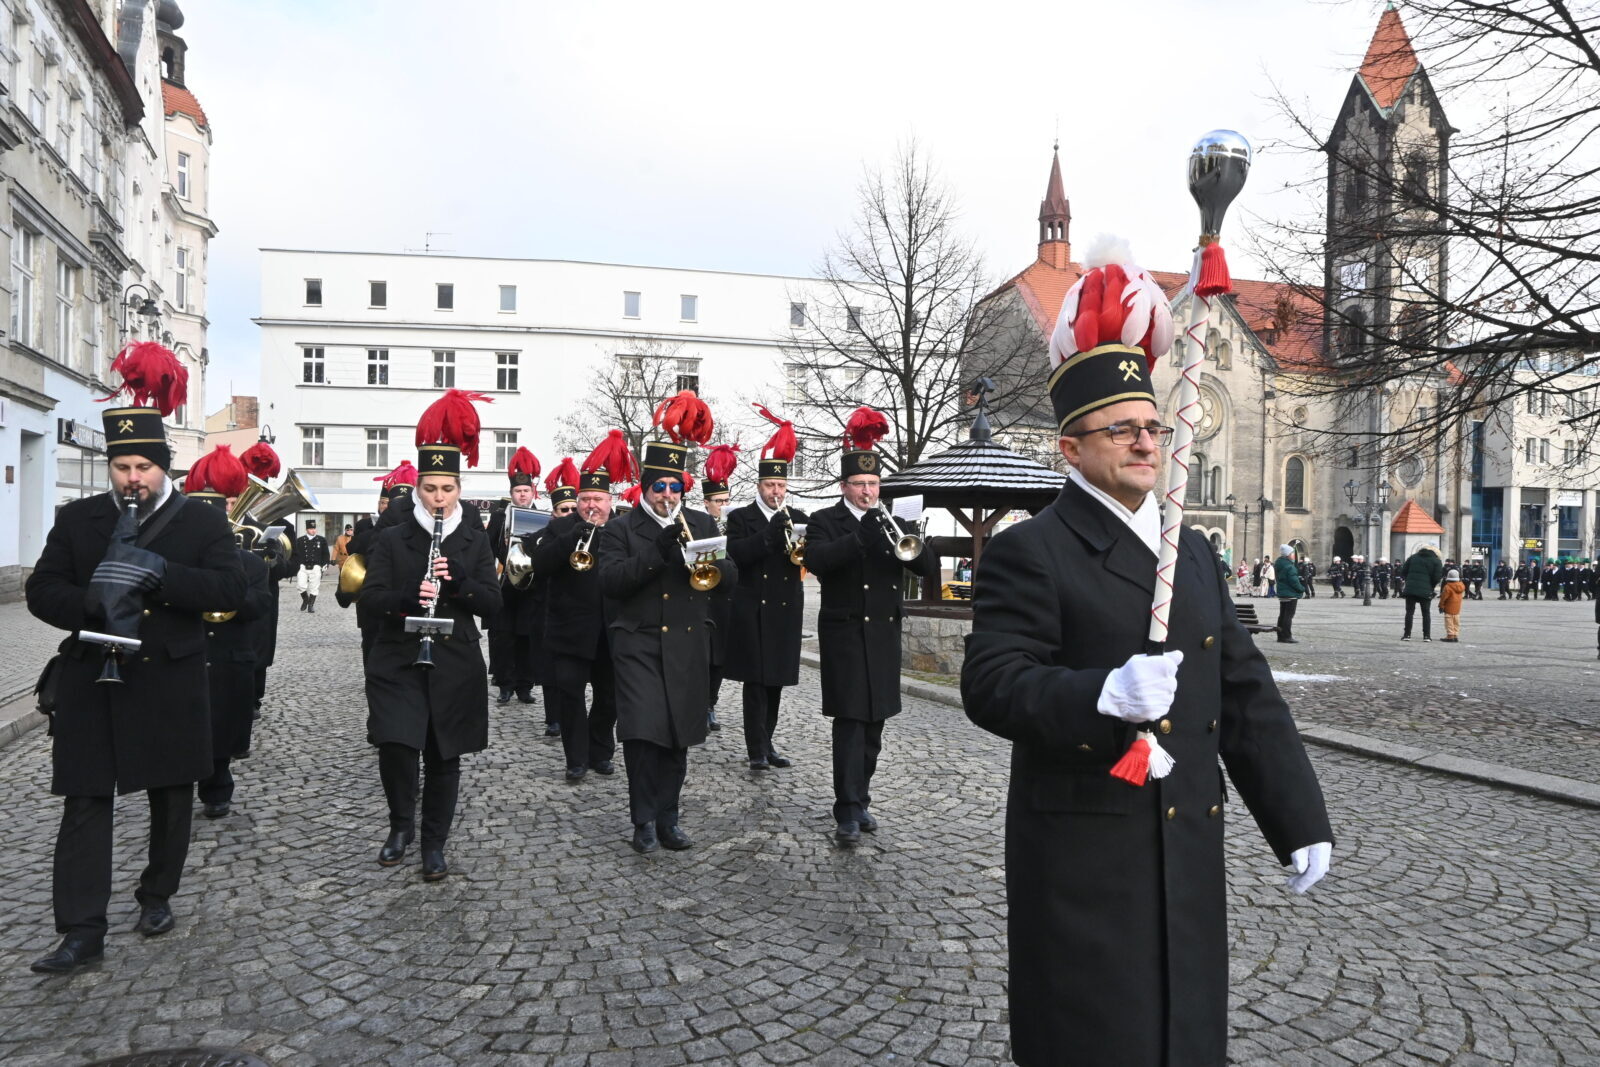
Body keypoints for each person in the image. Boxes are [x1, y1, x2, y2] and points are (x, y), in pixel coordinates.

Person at [960, 243, 1331, 1066]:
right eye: (1121, 428)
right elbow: (990, 683)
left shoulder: (1188, 552)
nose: (1144, 440)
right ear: (1070, 446)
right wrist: (1101, 694)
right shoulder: (1035, 550)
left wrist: (1297, 816)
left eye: (1152, 425)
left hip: (1187, 853)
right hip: (1086, 864)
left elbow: (1243, 691)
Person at [25, 344, 246, 974]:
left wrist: (159, 573)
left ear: (161, 467)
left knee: (172, 796)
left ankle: (157, 894)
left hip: (168, 677)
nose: (131, 478)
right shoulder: (80, 518)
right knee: (85, 800)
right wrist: (92, 602)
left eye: (143, 466)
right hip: (92, 677)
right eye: (122, 465)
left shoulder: (201, 523)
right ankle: (80, 931)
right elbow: (42, 591)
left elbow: (229, 591)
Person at [360, 390, 501, 881]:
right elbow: (370, 598)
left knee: (444, 754)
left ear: (459, 488)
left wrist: (458, 581)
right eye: (430, 489)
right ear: (416, 488)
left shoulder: (474, 538)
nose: (439, 498)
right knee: (398, 745)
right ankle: (401, 824)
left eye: (447, 488)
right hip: (399, 655)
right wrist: (408, 593)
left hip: (454, 660)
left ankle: (433, 843)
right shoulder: (394, 536)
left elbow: (493, 602)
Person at [597, 406, 735, 854]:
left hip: (687, 643)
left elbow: (729, 577)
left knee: (678, 735)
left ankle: (669, 818)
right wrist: (658, 551)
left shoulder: (701, 522)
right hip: (637, 642)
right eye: (661, 487)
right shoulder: (620, 528)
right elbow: (612, 582)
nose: (669, 495)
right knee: (643, 734)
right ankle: (643, 820)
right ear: (645, 487)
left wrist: (708, 560)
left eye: (676, 487)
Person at [803, 406, 942, 845]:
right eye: (860, 485)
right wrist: (861, 534)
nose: (867, 491)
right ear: (845, 486)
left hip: (882, 636)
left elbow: (926, 568)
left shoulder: (894, 522)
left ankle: (861, 799)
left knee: (876, 724)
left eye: (873, 484)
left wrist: (913, 538)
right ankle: (845, 810)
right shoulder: (825, 521)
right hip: (844, 634)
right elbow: (818, 561)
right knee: (849, 723)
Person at [185, 447, 274, 818]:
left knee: (223, 729)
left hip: (230, 657)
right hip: (186, 652)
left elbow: (258, 606)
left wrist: (227, 592)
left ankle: (218, 786)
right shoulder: (178, 557)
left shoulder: (249, 562)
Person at [531, 436, 625, 782]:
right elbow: (539, 566)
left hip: (610, 630)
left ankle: (601, 752)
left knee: (609, 698)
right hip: (569, 630)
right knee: (570, 695)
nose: (591, 506)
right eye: (585, 499)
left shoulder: (621, 529)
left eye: (597, 500)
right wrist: (572, 537)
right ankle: (576, 758)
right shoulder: (559, 527)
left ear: (609, 501)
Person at [724, 407, 806, 771]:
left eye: (782, 487)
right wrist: (768, 536)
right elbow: (738, 555)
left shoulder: (796, 516)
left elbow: (808, 556)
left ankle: (769, 741)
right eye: (771, 486)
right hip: (752, 608)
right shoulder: (741, 517)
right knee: (755, 683)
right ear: (759, 486)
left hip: (786, 609)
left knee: (775, 682)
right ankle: (755, 747)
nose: (777, 492)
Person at [485, 448, 542, 705]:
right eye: (518, 492)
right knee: (503, 636)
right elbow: (488, 546)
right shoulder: (499, 516)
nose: (522, 494)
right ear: (511, 494)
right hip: (505, 583)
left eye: (526, 491)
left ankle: (524, 686)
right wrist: (504, 547)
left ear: (532, 493)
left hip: (531, 585)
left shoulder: (542, 515)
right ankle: (505, 685)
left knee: (527, 637)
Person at [700, 447, 736, 733]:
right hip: (702, 597)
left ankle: (711, 702)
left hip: (727, 598)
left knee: (720, 658)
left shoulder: (735, 525)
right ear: (706, 503)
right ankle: (699, 703)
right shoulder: (700, 525)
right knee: (702, 655)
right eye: (718, 501)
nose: (722, 505)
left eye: (726, 500)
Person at [1400, 544, 1444, 641]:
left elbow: (1403, 572)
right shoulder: (1436, 561)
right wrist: (1430, 586)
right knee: (1426, 613)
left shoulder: (1412, 558)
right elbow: (1437, 577)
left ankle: (1407, 635)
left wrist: (1409, 581)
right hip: (1426, 590)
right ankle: (1426, 636)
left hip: (1410, 589)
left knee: (1409, 612)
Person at [294, 519, 330, 612]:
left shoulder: (321, 540)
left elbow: (326, 554)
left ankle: (311, 605)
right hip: (302, 566)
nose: (313, 530)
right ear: (307, 529)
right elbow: (295, 554)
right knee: (300, 585)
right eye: (311, 529)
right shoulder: (300, 540)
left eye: (314, 528)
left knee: (314, 587)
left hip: (316, 566)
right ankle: (306, 599)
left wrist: (326, 564)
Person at [1273, 544, 1304, 643]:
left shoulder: (1279, 564)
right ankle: (1286, 636)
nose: (1293, 555)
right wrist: (1301, 589)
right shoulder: (1289, 566)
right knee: (1288, 616)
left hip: (1282, 593)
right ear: (1287, 555)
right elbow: (1294, 581)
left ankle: (1280, 635)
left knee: (1282, 615)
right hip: (1290, 594)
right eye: (1292, 553)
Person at [1440, 567, 1466, 641]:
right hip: (1457, 608)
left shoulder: (1447, 587)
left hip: (1448, 607)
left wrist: (1441, 606)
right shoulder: (1461, 585)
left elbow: (1443, 598)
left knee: (1449, 621)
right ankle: (1455, 635)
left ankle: (1450, 635)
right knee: (1456, 621)